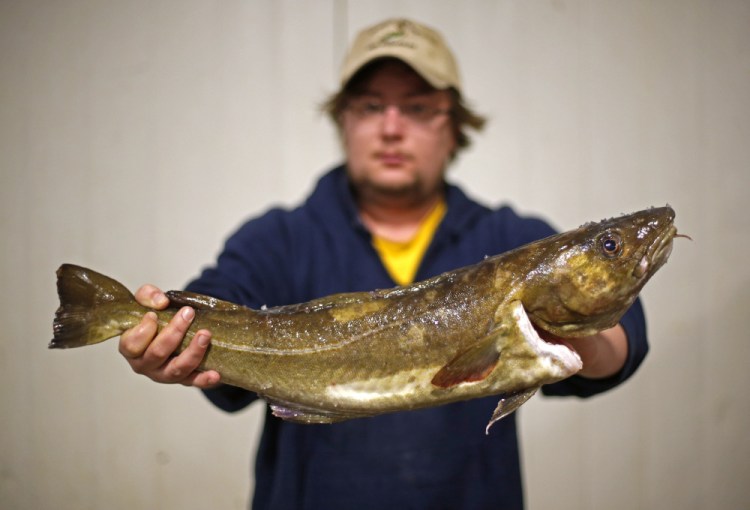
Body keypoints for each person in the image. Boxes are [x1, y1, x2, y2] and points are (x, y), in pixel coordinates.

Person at [118, 18, 647, 510]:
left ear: (453, 127)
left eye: (417, 107)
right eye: (371, 106)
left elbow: (623, 346)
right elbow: (215, 305)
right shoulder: (277, 239)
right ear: (343, 120)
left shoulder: (514, 240)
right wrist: (165, 335)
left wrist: (564, 326)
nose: (392, 128)